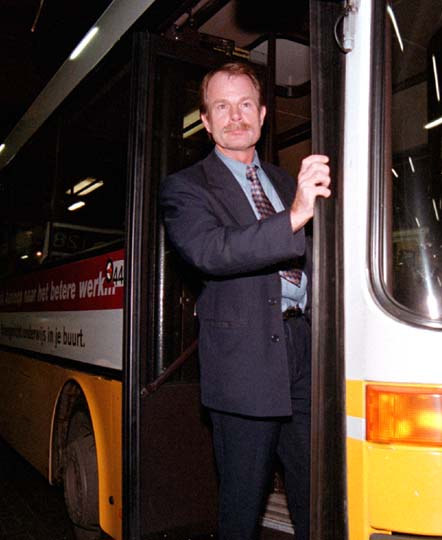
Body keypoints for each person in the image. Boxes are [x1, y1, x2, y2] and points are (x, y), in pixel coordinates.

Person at [159, 61, 331, 540]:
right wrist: (296, 214)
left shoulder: (283, 181)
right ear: (206, 121)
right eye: (222, 107)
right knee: (243, 503)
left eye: (246, 105)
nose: (236, 116)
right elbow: (210, 252)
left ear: (263, 113)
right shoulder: (186, 187)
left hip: (305, 351)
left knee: (317, 493)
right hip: (244, 361)